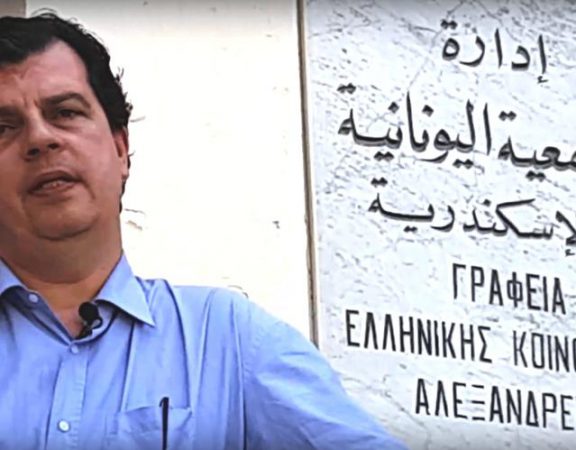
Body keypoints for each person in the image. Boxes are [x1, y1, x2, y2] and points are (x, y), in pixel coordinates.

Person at [0, 12, 406, 450]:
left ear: (120, 149)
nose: (40, 139)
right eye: (3, 128)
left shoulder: (230, 341)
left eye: (65, 112)